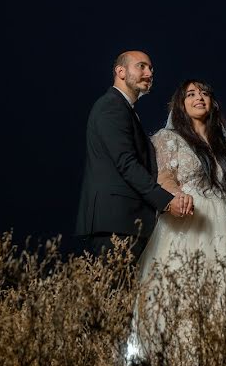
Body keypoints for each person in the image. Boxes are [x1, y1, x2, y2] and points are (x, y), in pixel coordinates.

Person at [125, 79, 226, 365]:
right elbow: (165, 179)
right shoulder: (167, 139)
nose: (199, 98)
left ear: (213, 103)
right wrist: (179, 197)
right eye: (191, 94)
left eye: (204, 93)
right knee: (187, 295)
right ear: (180, 105)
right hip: (189, 223)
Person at [75, 50, 194, 262]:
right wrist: (166, 202)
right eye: (141, 66)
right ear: (120, 71)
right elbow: (126, 163)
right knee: (114, 292)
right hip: (115, 222)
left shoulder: (126, 110)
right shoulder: (111, 106)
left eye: (151, 69)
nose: (149, 73)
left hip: (127, 222)